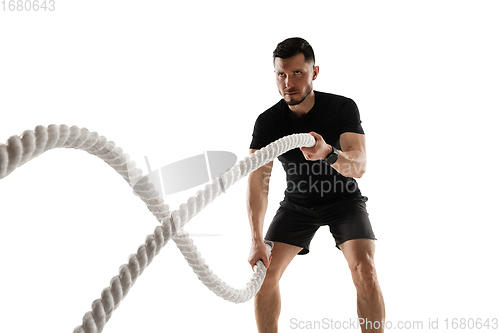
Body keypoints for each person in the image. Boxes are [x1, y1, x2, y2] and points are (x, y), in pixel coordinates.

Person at [246, 37, 386, 333]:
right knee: (263, 277)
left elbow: (359, 166)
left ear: (314, 72)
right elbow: (258, 181)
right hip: (297, 206)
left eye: (297, 73)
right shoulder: (268, 122)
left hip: (344, 202)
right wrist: (256, 238)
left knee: (366, 271)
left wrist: (328, 153)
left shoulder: (341, 108)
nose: (288, 82)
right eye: (281, 74)